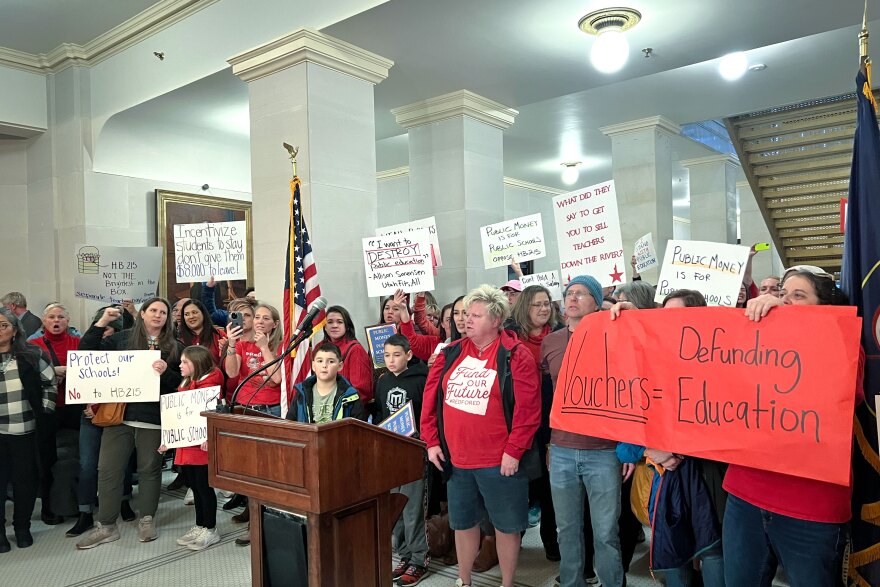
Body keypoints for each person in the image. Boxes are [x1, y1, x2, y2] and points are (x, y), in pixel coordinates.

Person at [724, 266, 861, 587]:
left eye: (799, 296)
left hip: (810, 508)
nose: (785, 302)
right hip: (745, 495)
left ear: (826, 308)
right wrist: (632, 320)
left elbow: (838, 399)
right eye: (783, 294)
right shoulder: (754, 339)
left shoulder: (845, 344)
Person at [421, 284, 540, 587]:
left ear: (497, 319)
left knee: (506, 526)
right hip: (457, 460)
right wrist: (432, 441)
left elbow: (528, 411)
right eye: (464, 314)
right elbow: (431, 401)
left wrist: (514, 451)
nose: (466, 320)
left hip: (500, 461)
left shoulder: (516, 355)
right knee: (463, 523)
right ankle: (464, 580)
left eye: (475, 315)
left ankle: (507, 583)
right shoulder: (450, 353)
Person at [75, 299, 183, 550]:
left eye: (163, 312)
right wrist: (101, 323)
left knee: (150, 469)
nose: (158, 315)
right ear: (142, 313)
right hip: (119, 415)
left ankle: (146, 519)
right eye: (153, 310)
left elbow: (180, 384)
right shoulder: (120, 340)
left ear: (167, 318)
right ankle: (106, 526)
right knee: (108, 469)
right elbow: (86, 356)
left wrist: (166, 371)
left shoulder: (175, 347)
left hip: (153, 417)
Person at [542, 275, 629, 587]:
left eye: (581, 294)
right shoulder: (550, 342)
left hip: (603, 450)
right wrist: (549, 444)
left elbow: (630, 389)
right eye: (569, 293)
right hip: (562, 449)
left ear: (596, 301)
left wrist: (628, 443)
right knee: (567, 529)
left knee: (606, 531)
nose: (573, 298)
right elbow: (545, 397)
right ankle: (571, 582)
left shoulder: (615, 333)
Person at [65, 308, 136, 538]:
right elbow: (82, 360)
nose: (105, 333)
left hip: (117, 414)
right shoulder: (88, 346)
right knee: (87, 465)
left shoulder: (124, 349)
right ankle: (85, 511)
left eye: (110, 329)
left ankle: (124, 502)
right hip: (90, 416)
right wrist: (85, 404)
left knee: (121, 463)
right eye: (101, 328)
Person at [506, 285, 563, 558]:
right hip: (519, 419)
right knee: (518, 482)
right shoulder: (510, 339)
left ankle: (550, 541)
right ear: (524, 307)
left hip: (550, 420)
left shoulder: (560, 337)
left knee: (548, 485)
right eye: (537, 304)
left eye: (547, 303)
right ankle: (511, 542)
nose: (544, 308)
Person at [0, 307, 56, 552]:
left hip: (25, 430)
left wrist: (45, 410)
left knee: (25, 483)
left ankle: (22, 527)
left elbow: (50, 383)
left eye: (3, 325)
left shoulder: (32, 354)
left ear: (14, 330)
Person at [376, 334, 431, 586]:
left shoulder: (422, 379)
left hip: (413, 451)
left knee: (412, 508)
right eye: (387, 355)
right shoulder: (383, 381)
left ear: (408, 355)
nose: (391, 360)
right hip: (390, 452)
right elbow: (380, 412)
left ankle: (420, 559)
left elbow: (428, 414)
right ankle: (405, 554)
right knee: (394, 507)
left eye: (397, 355)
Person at [161, 345, 224, 551]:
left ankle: (211, 528)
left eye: (184, 362)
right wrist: (168, 439)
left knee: (205, 488)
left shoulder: (210, 385)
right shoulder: (186, 383)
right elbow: (177, 415)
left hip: (202, 446)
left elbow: (214, 415)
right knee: (194, 486)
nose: (180, 365)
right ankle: (200, 524)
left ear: (196, 363)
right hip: (186, 444)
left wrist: (209, 436)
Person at [29, 302, 82, 526]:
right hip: (46, 410)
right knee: (46, 458)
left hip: (74, 406)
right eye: (51, 317)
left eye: (61, 316)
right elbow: (29, 377)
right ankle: (49, 507)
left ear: (68, 321)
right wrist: (52, 370)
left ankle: (79, 500)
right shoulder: (33, 346)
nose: (56, 320)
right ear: (44, 321)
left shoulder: (79, 343)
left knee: (81, 456)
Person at [224, 301, 283, 415]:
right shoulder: (242, 344)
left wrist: (264, 348)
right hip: (243, 405)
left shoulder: (282, 346)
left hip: (271, 408)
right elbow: (232, 373)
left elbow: (276, 378)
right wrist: (231, 343)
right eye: (257, 317)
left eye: (266, 318)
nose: (260, 321)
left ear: (275, 324)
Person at [287, 342, 365, 423]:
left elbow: (359, 430)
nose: (324, 365)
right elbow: (290, 424)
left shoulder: (350, 396)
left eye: (331, 362)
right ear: (313, 365)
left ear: (340, 366)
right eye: (320, 361)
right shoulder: (302, 393)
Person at [323, 305, 374, 407]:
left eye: (339, 322)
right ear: (324, 327)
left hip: (347, 410)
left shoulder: (356, 350)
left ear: (347, 326)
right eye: (330, 322)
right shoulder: (319, 348)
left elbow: (362, 390)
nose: (334, 325)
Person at [178, 299, 228, 367]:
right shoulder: (179, 338)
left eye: (194, 312)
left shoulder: (218, 334)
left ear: (203, 313)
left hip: (215, 376)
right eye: (187, 314)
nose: (191, 317)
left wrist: (226, 348)